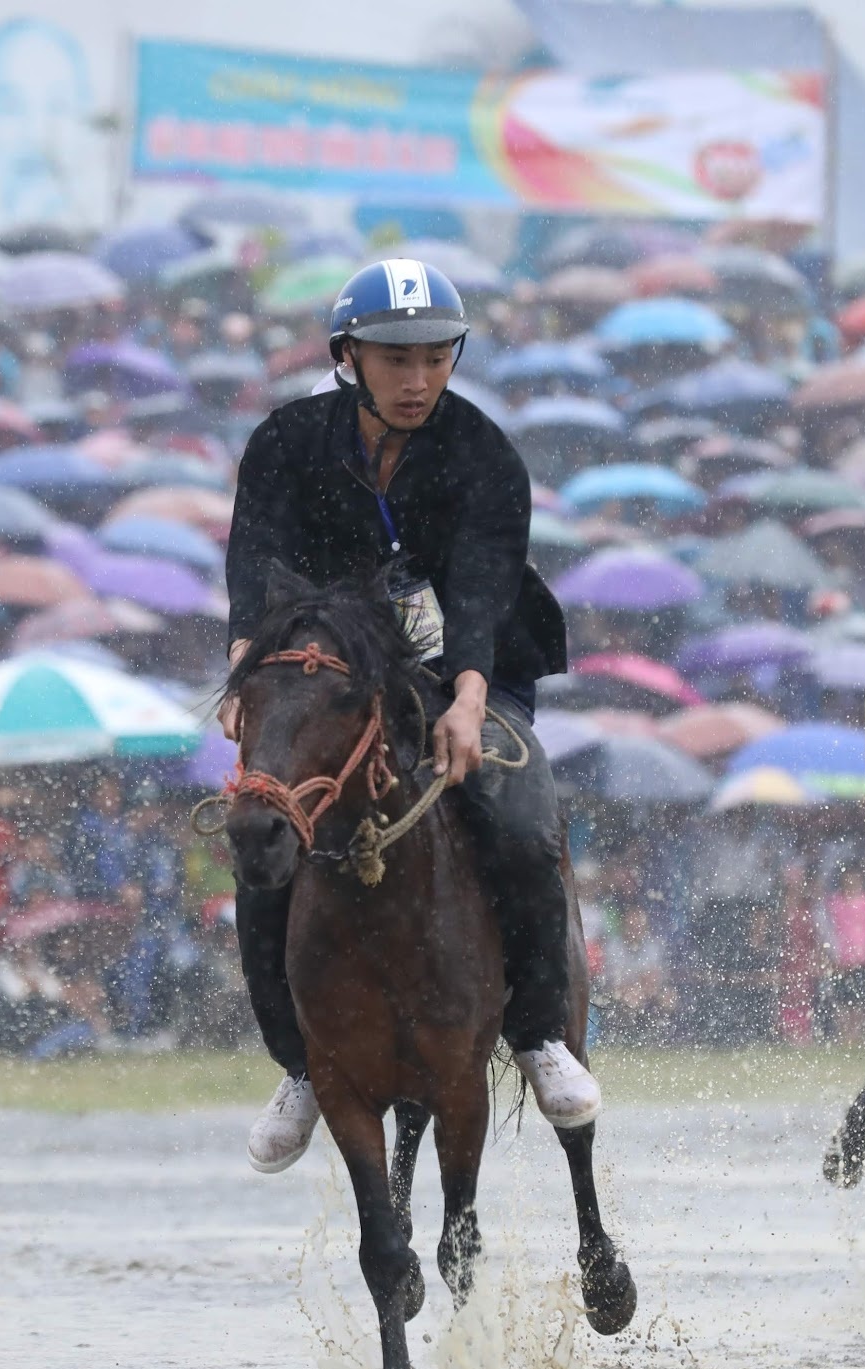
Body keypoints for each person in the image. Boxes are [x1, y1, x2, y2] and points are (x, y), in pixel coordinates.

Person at [221, 256, 598, 1174]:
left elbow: (478, 587)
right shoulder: (287, 441)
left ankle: (539, 1035)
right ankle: (302, 1066)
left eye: (434, 357)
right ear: (347, 356)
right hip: (335, 675)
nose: (417, 379)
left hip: (472, 671)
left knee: (519, 810)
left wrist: (469, 698)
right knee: (263, 837)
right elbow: (255, 560)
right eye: (395, 359)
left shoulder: (481, 453)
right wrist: (243, 671)